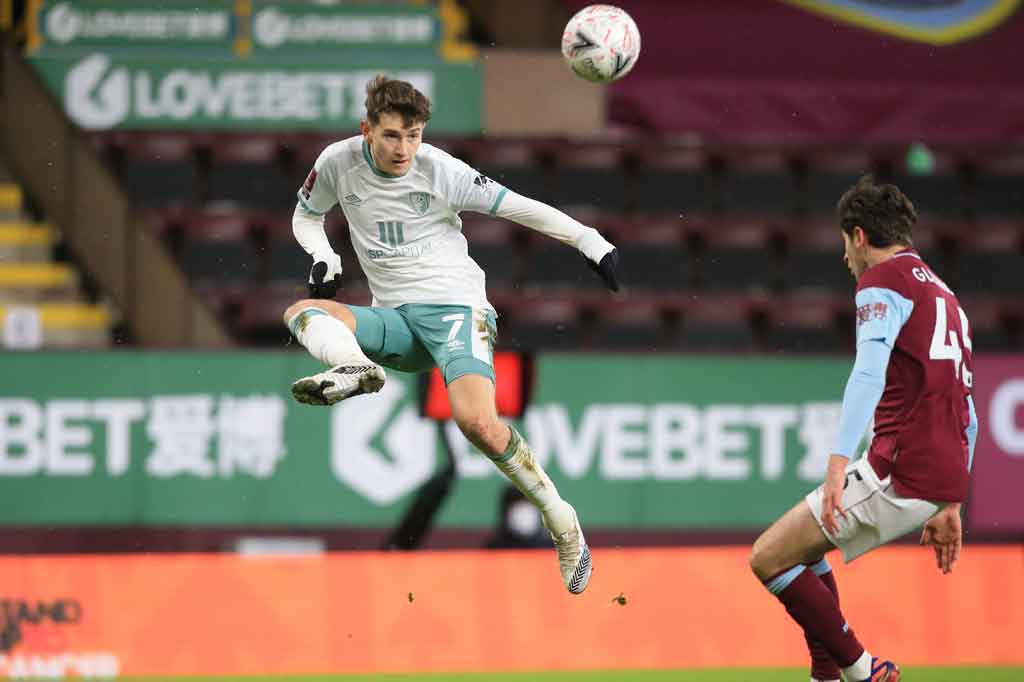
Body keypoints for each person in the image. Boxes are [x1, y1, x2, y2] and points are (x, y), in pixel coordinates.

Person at [282, 74, 620, 595]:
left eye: (413, 135)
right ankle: (356, 367)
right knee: (302, 312)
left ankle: (562, 520)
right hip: (395, 321)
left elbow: (518, 205)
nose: (404, 148)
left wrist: (590, 241)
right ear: (366, 130)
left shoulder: (442, 171)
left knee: (477, 423)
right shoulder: (336, 162)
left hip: (456, 310)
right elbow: (306, 216)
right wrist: (324, 254)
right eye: (392, 135)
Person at [748, 175, 978, 682]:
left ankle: (862, 670)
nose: (845, 257)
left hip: (899, 470)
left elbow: (869, 373)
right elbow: (968, 407)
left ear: (858, 236)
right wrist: (952, 501)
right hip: (935, 475)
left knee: (768, 558)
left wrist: (837, 462)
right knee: (805, 550)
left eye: (844, 244)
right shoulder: (945, 295)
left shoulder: (882, 281)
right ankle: (827, 676)